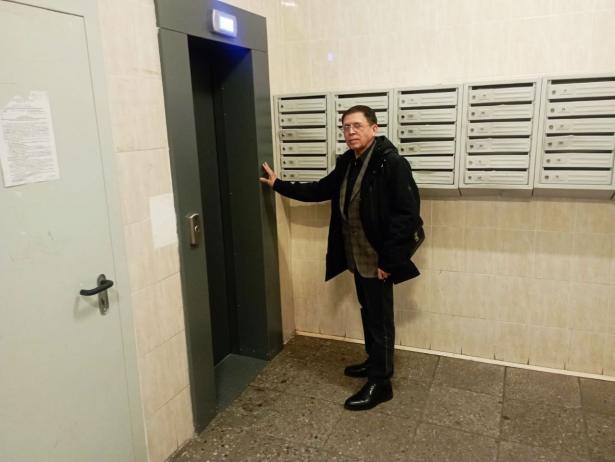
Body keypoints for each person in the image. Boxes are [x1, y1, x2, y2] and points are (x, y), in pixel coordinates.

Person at [259, 105, 422, 411]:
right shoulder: (349, 161)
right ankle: (374, 361)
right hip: (355, 254)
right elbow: (321, 189)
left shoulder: (392, 163)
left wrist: (388, 261)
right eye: (346, 127)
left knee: (380, 319)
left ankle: (381, 383)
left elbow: (407, 214)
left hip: (378, 258)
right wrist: (279, 184)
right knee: (368, 311)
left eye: (357, 125)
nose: (351, 132)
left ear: (374, 128)